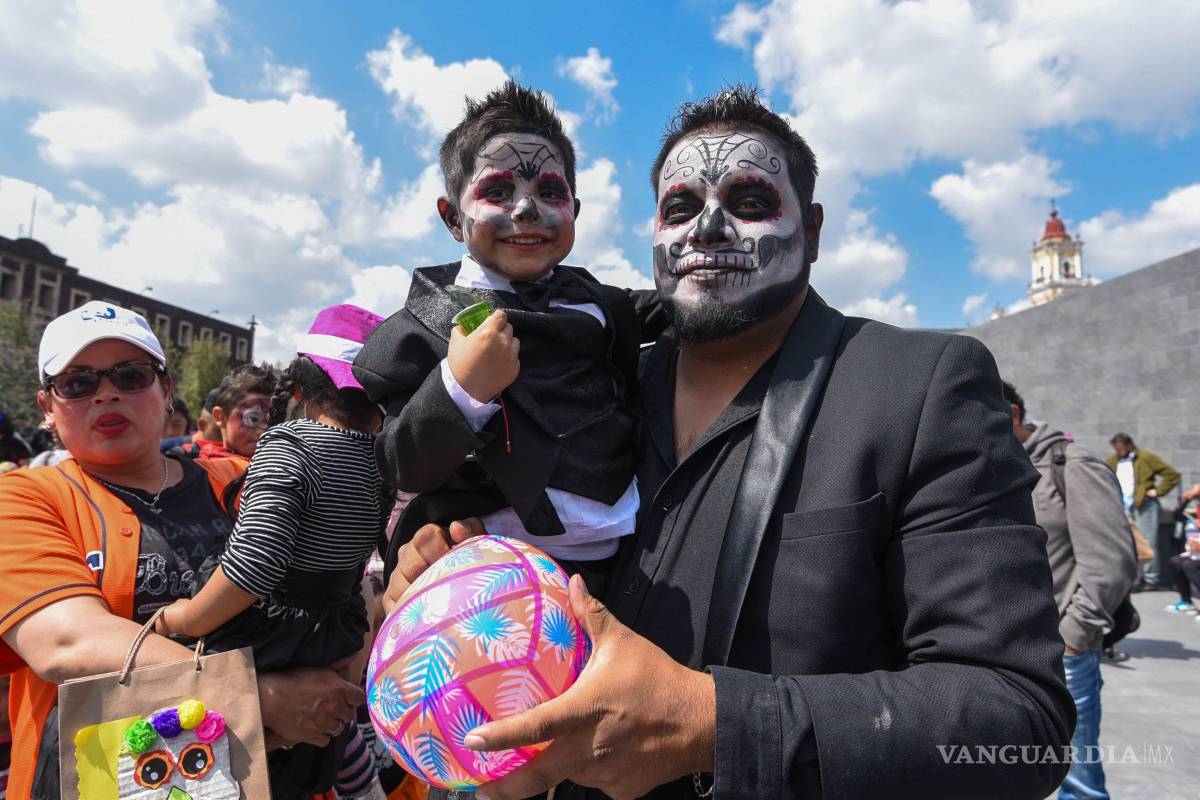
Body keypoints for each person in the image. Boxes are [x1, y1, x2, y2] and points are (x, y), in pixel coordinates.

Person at [385, 86, 1074, 800]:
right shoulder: (599, 389)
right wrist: (450, 580)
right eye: (680, 208)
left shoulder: (919, 388)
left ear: (811, 231)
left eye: (748, 202)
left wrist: (714, 725)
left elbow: (1017, 723)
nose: (707, 229)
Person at [0, 301, 363, 798]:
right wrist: (255, 697)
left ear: (166, 391)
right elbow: (68, 644)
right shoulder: (25, 497)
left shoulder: (248, 481)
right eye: (79, 383)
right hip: (97, 780)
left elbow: (343, 590)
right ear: (47, 407)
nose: (106, 395)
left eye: (130, 376)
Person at [354, 80, 657, 591]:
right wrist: (460, 389)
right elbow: (400, 464)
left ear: (574, 212)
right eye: (497, 191)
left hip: (627, 562)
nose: (526, 209)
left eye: (549, 192)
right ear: (453, 217)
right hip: (488, 572)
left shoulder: (602, 304)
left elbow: (686, 308)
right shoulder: (424, 326)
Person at [157, 304, 389, 799]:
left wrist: (185, 620)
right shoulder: (381, 459)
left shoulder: (290, 444)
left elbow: (254, 566)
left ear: (299, 390)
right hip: (336, 630)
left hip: (265, 631)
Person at [1003, 382, 1137, 800]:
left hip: (1065, 649)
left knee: (1077, 778)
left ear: (1011, 414)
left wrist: (1076, 636)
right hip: (1005, 649)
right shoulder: (997, 465)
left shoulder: (1072, 463)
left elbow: (1112, 563)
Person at [1106, 433, 1180, 589]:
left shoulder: (1145, 458)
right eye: (1116, 449)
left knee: (1147, 542)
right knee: (1129, 543)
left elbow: (1172, 475)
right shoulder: (1112, 461)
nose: (1119, 452)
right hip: (1121, 506)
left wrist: (1157, 491)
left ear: (1129, 445)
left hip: (1143, 505)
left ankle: (1150, 579)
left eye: (1121, 449)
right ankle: (1135, 578)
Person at [176, 365, 275, 459]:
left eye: (271, 421)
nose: (264, 429)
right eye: (253, 419)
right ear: (220, 417)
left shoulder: (280, 466)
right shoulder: (191, 463)